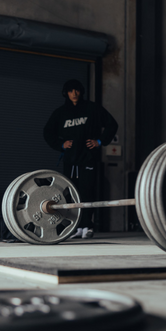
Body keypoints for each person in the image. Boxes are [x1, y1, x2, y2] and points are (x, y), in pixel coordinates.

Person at [43, 79, 118, 238]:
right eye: (70, 91)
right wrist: (61, 144)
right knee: (70, 192)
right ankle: (74, 227)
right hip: (70, 159)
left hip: (88, 158)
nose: (74, 94)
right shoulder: (61, 113)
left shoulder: (93, 109)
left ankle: (87, 226)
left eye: (76, 90)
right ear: (66, 93)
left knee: (87, 190)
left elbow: (112, 124)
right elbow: (47, 132)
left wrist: (99, 142)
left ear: (81, 92)